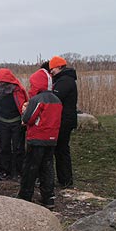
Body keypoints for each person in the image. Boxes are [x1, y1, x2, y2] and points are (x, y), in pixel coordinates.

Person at [18, 68, 62, 208]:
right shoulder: (57, 100)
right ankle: (48, 197)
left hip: (37, 138)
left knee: (31, 167)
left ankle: (25, 195)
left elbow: (28, 119)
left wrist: (25, 111)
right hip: (52, 139)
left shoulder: (37, 100)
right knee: (47, 168)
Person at [0, 68, 28, 180]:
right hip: (3, 122)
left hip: (17, 122)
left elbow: (24, 106)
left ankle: (19, 171)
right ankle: (4, 170)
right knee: (4, 147)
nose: (1, 84)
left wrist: (24, 120)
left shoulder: (17, 90)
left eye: (3, 82)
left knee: (18, 148)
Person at [50, 55, 78, 188]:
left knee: (61, 150)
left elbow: (55, 97)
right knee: (60, 150)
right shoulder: (65, 79)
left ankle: (65, 180)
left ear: (59, 67)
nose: (51, 71)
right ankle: (64, 179)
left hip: (64, 120)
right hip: (65, 119)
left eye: (53, 68)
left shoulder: (65, 81)